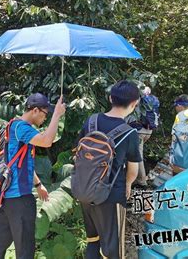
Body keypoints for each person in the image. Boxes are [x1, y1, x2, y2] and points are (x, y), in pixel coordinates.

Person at [0, 93, 66, 259]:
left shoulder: (14, 126)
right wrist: (57, 115)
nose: (46, 117)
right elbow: (46, 141)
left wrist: (38, 185)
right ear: (35, 110)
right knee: (25, 249)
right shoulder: (22, 128)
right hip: (20, 199)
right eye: (45, 113)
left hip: (9, 199)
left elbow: (21, 163)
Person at [75, 80, 142, 259]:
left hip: (85, 190)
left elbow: (78, 152)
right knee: (112, 247)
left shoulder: (91, 121)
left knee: (93, 240)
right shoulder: (130, 133)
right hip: (111, 196)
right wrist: (128, 184)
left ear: (111, 98)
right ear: (134, 104)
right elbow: (133, 171)